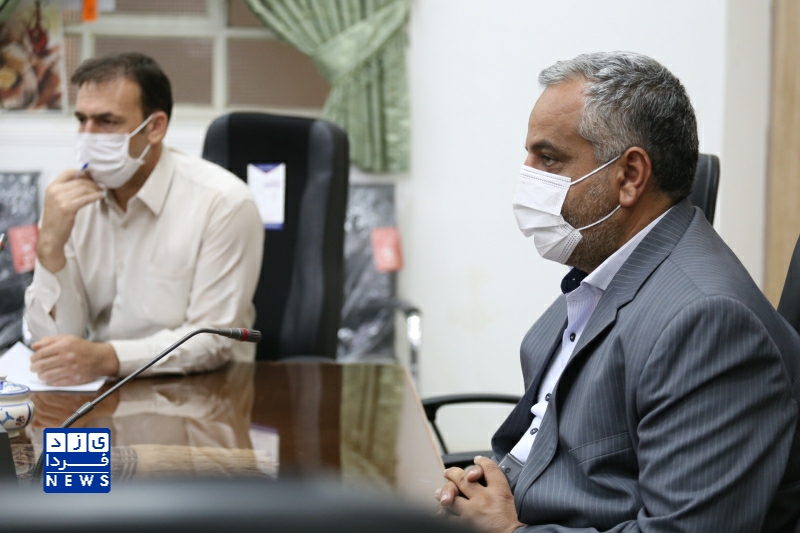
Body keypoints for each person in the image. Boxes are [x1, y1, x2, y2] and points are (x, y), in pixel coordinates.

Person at [435, 52, 800, 533]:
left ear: (629, 176)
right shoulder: (602, 273)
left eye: (549, 159)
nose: (528, 178)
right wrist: (479, 490)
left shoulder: (709, 322)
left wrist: (508, 530)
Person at [24, 53, 263, 386]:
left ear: (155, 127)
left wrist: (107, 358)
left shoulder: (223, 203)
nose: (88, 136)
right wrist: (50, 246)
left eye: (107, 121)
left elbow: (214, 339)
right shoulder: (70, 201)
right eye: (82, 120)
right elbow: (55, 341)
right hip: (102, 389)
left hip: (204, 393)